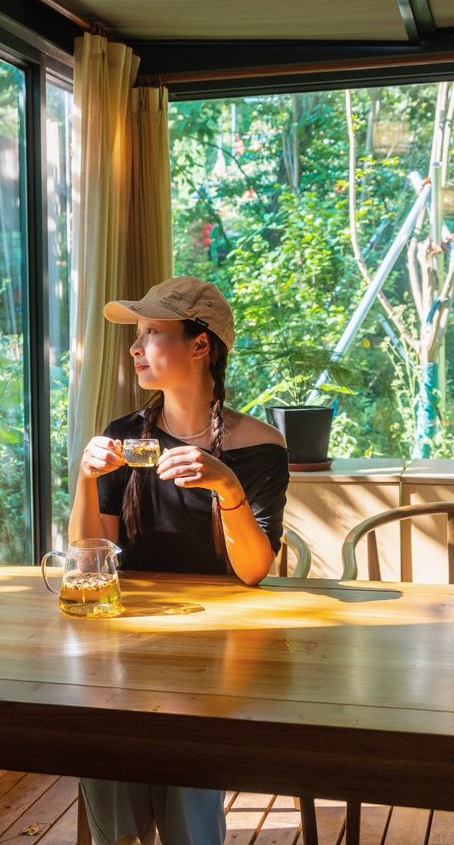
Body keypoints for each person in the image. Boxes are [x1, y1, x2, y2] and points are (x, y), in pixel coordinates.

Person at [70, 276, 289, 845]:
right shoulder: (125, 437)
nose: (135, 348)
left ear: (200, 345)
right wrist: (86, 479)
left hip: (219, 646)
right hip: (130, 635)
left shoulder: (259, 446)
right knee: (106, 739)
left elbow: (252, 571)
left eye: (151, 333)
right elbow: (91, 561)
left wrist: (227, 485)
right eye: (137, 335)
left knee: (186, 772)